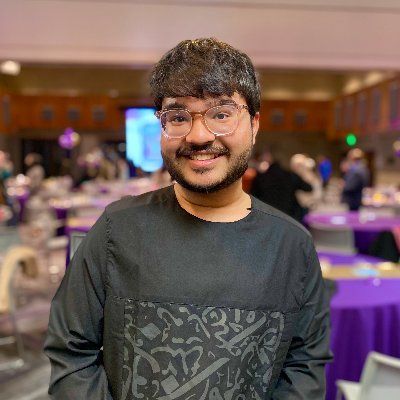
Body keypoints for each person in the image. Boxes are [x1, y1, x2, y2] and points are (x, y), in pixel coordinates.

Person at [45, 38, 331, 399]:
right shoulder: (117, 229)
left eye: (221, 114)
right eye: (178, 117)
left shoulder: (291, 247)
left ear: (254, 124)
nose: (198, 136)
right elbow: (71, 355)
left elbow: (303, 369)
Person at [251, 150, 313, 222]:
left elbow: (253, 196)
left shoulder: (260, 177)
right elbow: (309, 188)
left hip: (268, 216)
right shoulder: (290, 176)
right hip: (290, 216)